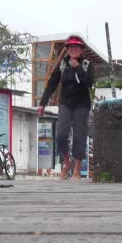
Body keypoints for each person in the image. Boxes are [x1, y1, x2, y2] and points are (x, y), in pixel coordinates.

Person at [37, 34, 94, 180]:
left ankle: (77, 167)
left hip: (82, 104)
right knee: (61, 133)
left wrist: (78, 69)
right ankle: (66, 162)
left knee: (79, 136)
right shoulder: (63, 64)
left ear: (81, 49)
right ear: (67, 49)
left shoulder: (87, 65)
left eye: (76, 46)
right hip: (65, 104)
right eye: (71, 47)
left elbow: (89, 84)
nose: (73, 49)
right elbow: (51, 84)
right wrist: (42, 103)